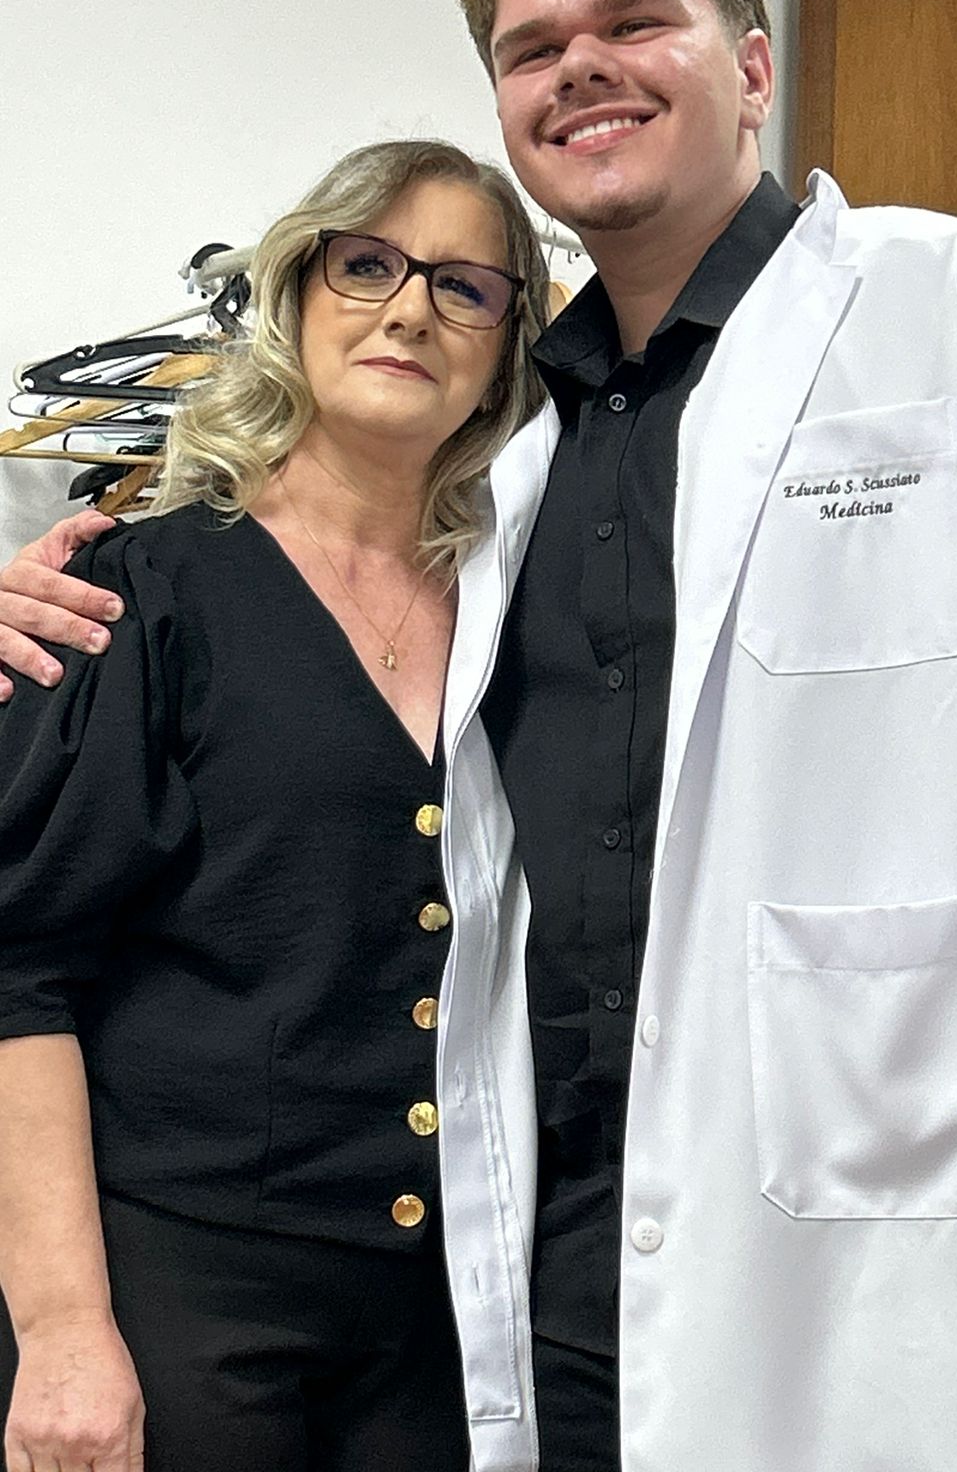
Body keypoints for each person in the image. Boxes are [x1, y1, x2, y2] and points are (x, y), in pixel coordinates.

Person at [3, 0, 957, 1468]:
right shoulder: (520, 464)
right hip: (553, 1265)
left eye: (636, 20)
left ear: (755, 67)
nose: (580, 65)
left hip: (918, 1212)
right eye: (532, 47)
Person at [0, 136, 548, 1472]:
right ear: (297, 294)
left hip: (446, 1308)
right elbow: (18, 975)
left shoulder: (524, 613)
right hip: (186, 1299)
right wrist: (62, 1335)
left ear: (505, 351)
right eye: (368, 266)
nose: (410, 310)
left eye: (465, 286)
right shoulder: (139, 595)